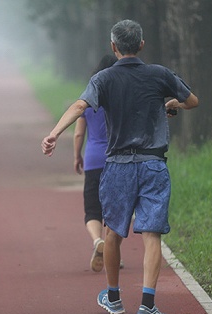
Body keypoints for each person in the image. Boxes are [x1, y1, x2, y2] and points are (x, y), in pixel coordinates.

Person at [41, 19, 199, 314]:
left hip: (117, 168)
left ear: (114, 47)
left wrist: (54, 133)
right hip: (153, 164)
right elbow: (192, 100)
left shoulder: (103, 79)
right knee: (152, 234)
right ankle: (147, 305)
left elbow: (78, 106)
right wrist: (170, 103)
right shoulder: (159, 74)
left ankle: (114, 299)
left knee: (112, 233)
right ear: (141, 45)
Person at [73, 54, 117, 272]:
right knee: (115, 210)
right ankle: (112, 251)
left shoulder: (88, 98)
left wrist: (77, 156)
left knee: (92, 209)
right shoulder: (119, 98)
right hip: (117, 160)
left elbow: (79, 134)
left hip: (92, 161)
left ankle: (97, 241)